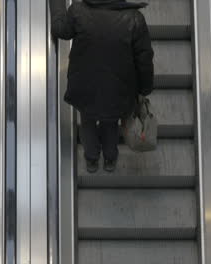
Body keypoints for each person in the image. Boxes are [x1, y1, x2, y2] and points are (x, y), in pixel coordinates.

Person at [49, 0, 155, 173]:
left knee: (87, 123)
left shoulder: (78, 11)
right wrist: (144, 88)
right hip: (117, 89)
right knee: (111, 123)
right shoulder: (134, 19)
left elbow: (61, 29)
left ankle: (91, 159)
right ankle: (110, 159)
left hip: (85, 86)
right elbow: (144, 59)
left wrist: (57, 4)